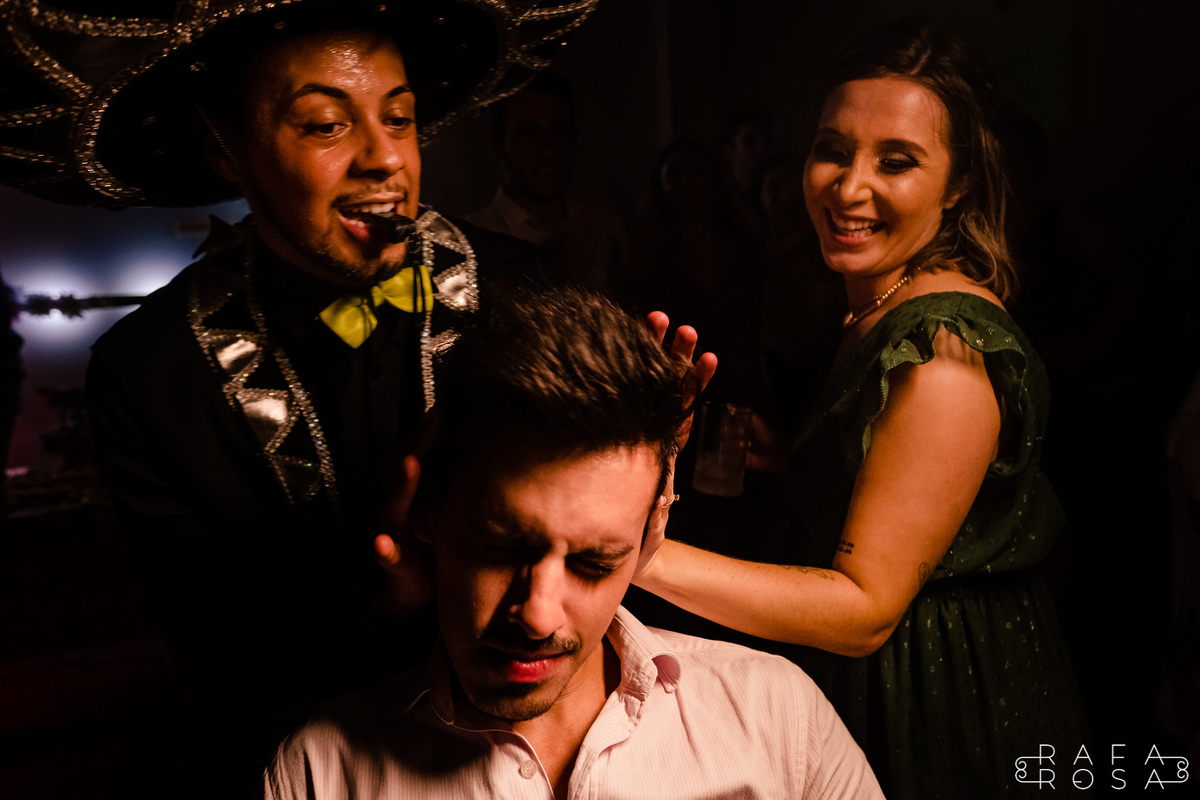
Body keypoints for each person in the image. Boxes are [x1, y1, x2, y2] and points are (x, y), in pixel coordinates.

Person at [0, 1, 594, 795]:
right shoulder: (149, 372)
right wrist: (379, 600)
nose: (385, 159)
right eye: (325, 125)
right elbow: (221, 671)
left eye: (400, 117)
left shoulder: (530, 294)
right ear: (225, 149)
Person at [632, 17, 1089, 799]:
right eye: (833, 150)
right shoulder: (879, 300)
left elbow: (863, 610)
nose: (849, 188)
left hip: (935, 696)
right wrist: (808, 458)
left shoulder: (941, 350)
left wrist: (631, 553)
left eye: (896, 161)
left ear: (959, 185)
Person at [262, 286, 885, 800]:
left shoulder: (780, 721)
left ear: (650, 534)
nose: (537, 616)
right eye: (501, 548)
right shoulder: (321, 773)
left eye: (594, 562)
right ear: (425, 511)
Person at [466, 70, 624, 290]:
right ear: (497, 143)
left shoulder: (602, 228)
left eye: (559, 132)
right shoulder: (471, 242)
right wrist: (561, 272)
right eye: (528, 133)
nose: (548, 149)